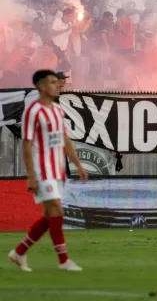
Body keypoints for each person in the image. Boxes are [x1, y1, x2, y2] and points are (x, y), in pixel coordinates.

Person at [8, 69, 88, 272]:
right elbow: (26, 145)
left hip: (57, 168)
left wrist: (78, 164)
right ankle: (63, 260)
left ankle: (19, 252)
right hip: (42, 169)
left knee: (50, 215)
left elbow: (65, 139)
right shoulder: (32, 111)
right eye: (53, 82)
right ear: (42, 86)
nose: (58, 85)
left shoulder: (57, 110)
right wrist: (31, 175)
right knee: (57, 211)